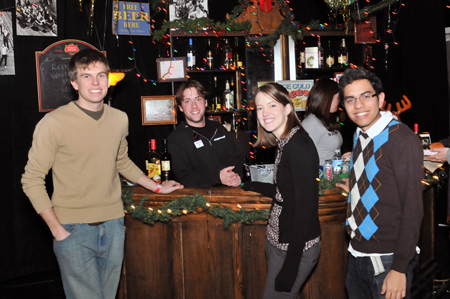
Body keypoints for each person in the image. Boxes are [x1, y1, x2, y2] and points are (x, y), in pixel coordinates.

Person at [21, 49, 183, 299]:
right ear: (74, 83)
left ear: (109, 80)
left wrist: (157, 187)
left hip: (114, 225)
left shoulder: (119, 119)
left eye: (101, 75)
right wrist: (57, 230)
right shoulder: (54, 123)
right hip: (72, 229)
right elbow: (31, 180)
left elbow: (122, 161)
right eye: (87, 76)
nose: (95, 83)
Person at [335, 68, 423, 299]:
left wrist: (400, 267)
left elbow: (413, 208)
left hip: (388, 259)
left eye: (366, 96)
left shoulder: (401, 139)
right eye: (350, 99)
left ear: (381, 99)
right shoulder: (359, 134)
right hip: (357, 253)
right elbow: (377, 177)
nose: (359, 105)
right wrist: (354, 188)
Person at [243, 83, 321, 298]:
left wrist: (290, 267)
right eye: (259, 108)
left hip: (295, 249)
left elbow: (305, 209)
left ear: (288, 108)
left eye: (271, 105)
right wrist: (249, 185)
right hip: (280, 242)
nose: (264, 113)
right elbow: (286, 192)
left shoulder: (299, 147)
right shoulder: (286, 141)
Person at [167, 80, 243, 187]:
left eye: (198, 99)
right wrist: (218, 177)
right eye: (187, 101)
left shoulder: (219, 128)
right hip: (200, 200)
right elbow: (185, 177)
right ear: (180, 108)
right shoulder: (177, 138)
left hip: (231, 194)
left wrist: (236, 176)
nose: (194, 106)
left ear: (206, 102)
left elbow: (237, 158)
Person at [302, 78, 350, 165]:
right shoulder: (311, 123)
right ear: (327, 98)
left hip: (329, 175)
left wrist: (340, 159)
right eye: (337, 98)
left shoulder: (325, 120)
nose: (339, 102)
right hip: (320, 176)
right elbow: (304, 159)